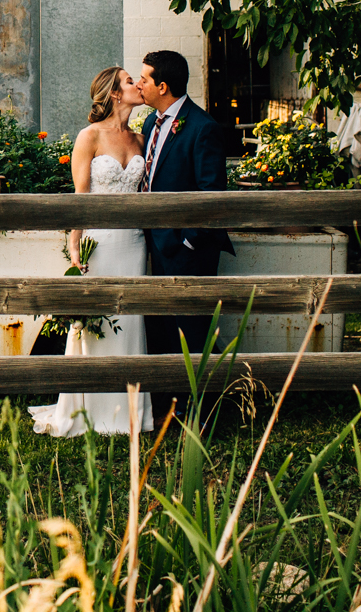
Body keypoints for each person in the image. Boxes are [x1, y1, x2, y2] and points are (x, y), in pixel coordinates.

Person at [29, 66, 155, 437]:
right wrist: (73, 244)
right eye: (130, 81)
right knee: (95, 325)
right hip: (99, 244)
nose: (137, 85)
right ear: (115, 93)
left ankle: (129, 414)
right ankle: (86, 409)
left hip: (134, 243)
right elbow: (79, 197)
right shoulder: (89, 137)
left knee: (131, 323)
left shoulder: (140, 138)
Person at [136, 49, 235, 408]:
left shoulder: (202, 127)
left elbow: (212, 195)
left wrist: (189, 242)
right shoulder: (150, 124)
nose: (138, 84)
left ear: (163, 86)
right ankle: (171, 404)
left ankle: (209, 410)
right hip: (154, 246)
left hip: (187, 250)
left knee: (193, 330)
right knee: (163, 328)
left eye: (144, 79)